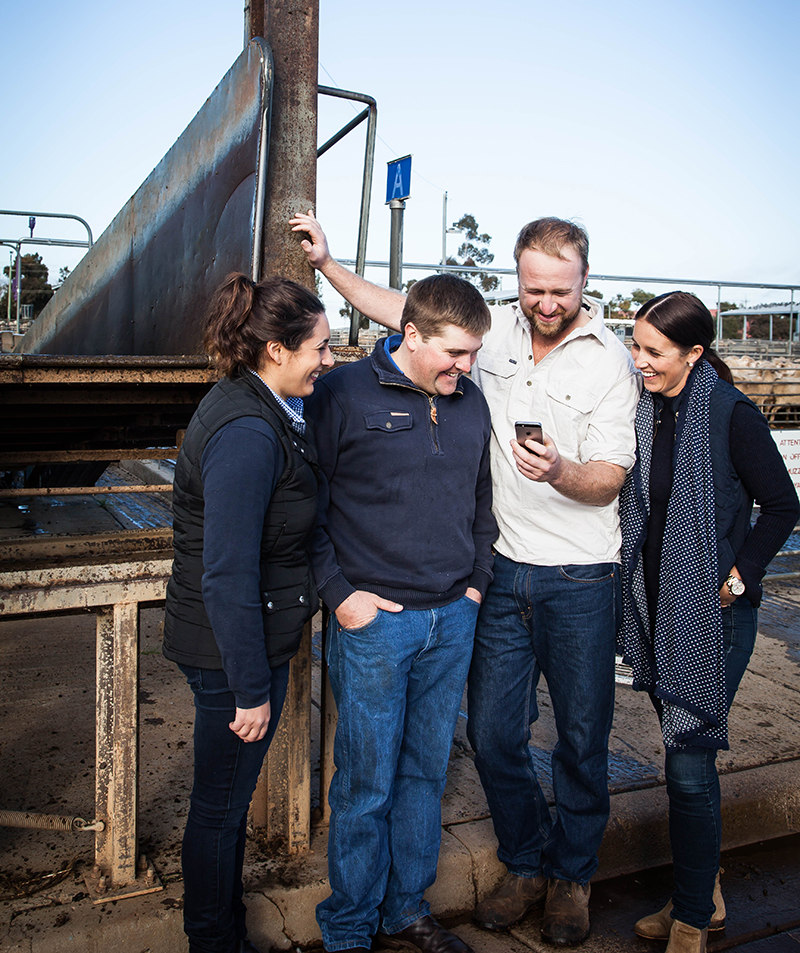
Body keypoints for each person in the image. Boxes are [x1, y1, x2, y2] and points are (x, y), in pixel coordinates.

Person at [290, 211, 639, 946]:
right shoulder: (458, 349)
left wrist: (556, 479)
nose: (546, 301)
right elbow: (403, 309)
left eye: (561, 289)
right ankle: (483, 876)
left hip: (564, 578)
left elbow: (597, 479)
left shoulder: (606, 358)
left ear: (584, 282)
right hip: (449, 596)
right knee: (461, 746)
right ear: (519, 281)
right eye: (534, 287)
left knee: (571, 739)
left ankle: (558, 878)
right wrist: (327, 266)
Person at [305, 273, 497, 953]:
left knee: (425, 772)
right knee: (365, 779)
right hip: (376, 622)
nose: (467, 368)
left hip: (453, 617)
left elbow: (482, 501)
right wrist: (341, 594)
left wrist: (476, 584)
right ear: (410, 335)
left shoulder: (471, 403)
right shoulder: (341, 394)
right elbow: (306, 502)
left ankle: (406, 909)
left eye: (475, 353)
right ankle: (350, 927)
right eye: (455, 353)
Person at [618, 292, 799, 953]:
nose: (638, 361)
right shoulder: (649, 409)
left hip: (713, 614)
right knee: (680, 758)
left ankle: (693, 914)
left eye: (652, 352)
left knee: (688, 761)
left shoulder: (730, 414)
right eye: (635, 345)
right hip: (661, 606)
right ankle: (706, 884)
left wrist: (741, 574)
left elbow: (782, 505)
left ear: (694, 353)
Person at [162, 273, 334, 953]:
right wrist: (248, 689)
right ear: (275, 350)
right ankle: (213, 939)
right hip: (230, 656)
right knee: (218, 811)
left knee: (224, 807)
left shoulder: (258, 408)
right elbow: (228, 571)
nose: (328, 358)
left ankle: (222, 933)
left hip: (235, 644)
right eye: (319, 347)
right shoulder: (247, 433)